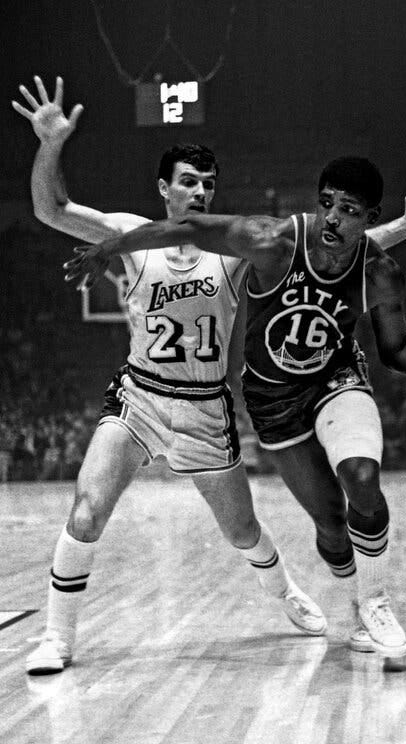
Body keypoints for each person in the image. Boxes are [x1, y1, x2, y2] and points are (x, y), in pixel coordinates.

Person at [66, 154, 406, 660]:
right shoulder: (273, 240)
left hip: (337, 378)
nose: (334, 218)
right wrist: (109, 247)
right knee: (332, 526)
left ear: (370, 218)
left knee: (361, 476)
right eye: (327, 204)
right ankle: (351, 598)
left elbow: (396, 349)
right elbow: (188, 224)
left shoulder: (380, 273)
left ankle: (374, 602)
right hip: (272, 399)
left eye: (350, 210)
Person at [12, 75, 331, 675]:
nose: (201, 192)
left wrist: (394, 230)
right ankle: (57, 638)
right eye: (189, 182)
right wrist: (50, 143)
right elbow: (49, 208)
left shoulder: (232, 247)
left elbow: (317, 249)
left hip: (205, 408)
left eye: (208, 184)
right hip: (138, 399)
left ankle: (284, 590)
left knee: (242, 531)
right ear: (164, 189)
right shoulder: (131, 235)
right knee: (87, 509)